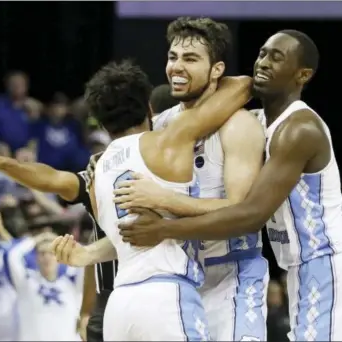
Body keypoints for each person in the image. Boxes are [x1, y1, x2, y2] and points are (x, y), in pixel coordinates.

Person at [0, 59, 251, 341]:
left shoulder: (96, 171)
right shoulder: (166, 141)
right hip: (166, 293)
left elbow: (52, 179)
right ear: (149, 108)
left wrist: (5, 164)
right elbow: (241, 88)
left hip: (119, 305)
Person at [118, 30, 342, 341]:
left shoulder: (298, 129)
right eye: (262, 54)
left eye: (276, 58)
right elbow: (236, 85)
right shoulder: (261, 120)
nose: (263, 62)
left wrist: (164, 229)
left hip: (329, 261)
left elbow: (250, 215)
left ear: (303, 74)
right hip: (303, 267)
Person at [111, 17, 269, 341]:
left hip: (232, 277)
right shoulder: (160, 126)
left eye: (191, 58)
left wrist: (164, 200)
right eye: (173, 57)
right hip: (177, 280)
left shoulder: (239, 126)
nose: (177, 67)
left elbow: (243, 215)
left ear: (216, 70)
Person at [3, 231, 84, 341]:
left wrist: (63, 241)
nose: (46, 257)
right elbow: (13, 255)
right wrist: (38, 238)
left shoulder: (71, 285)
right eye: (42, 253)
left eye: (51, 253)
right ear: (36, 258)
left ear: (59, 258)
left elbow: (86, 259)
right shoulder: (26, 283)